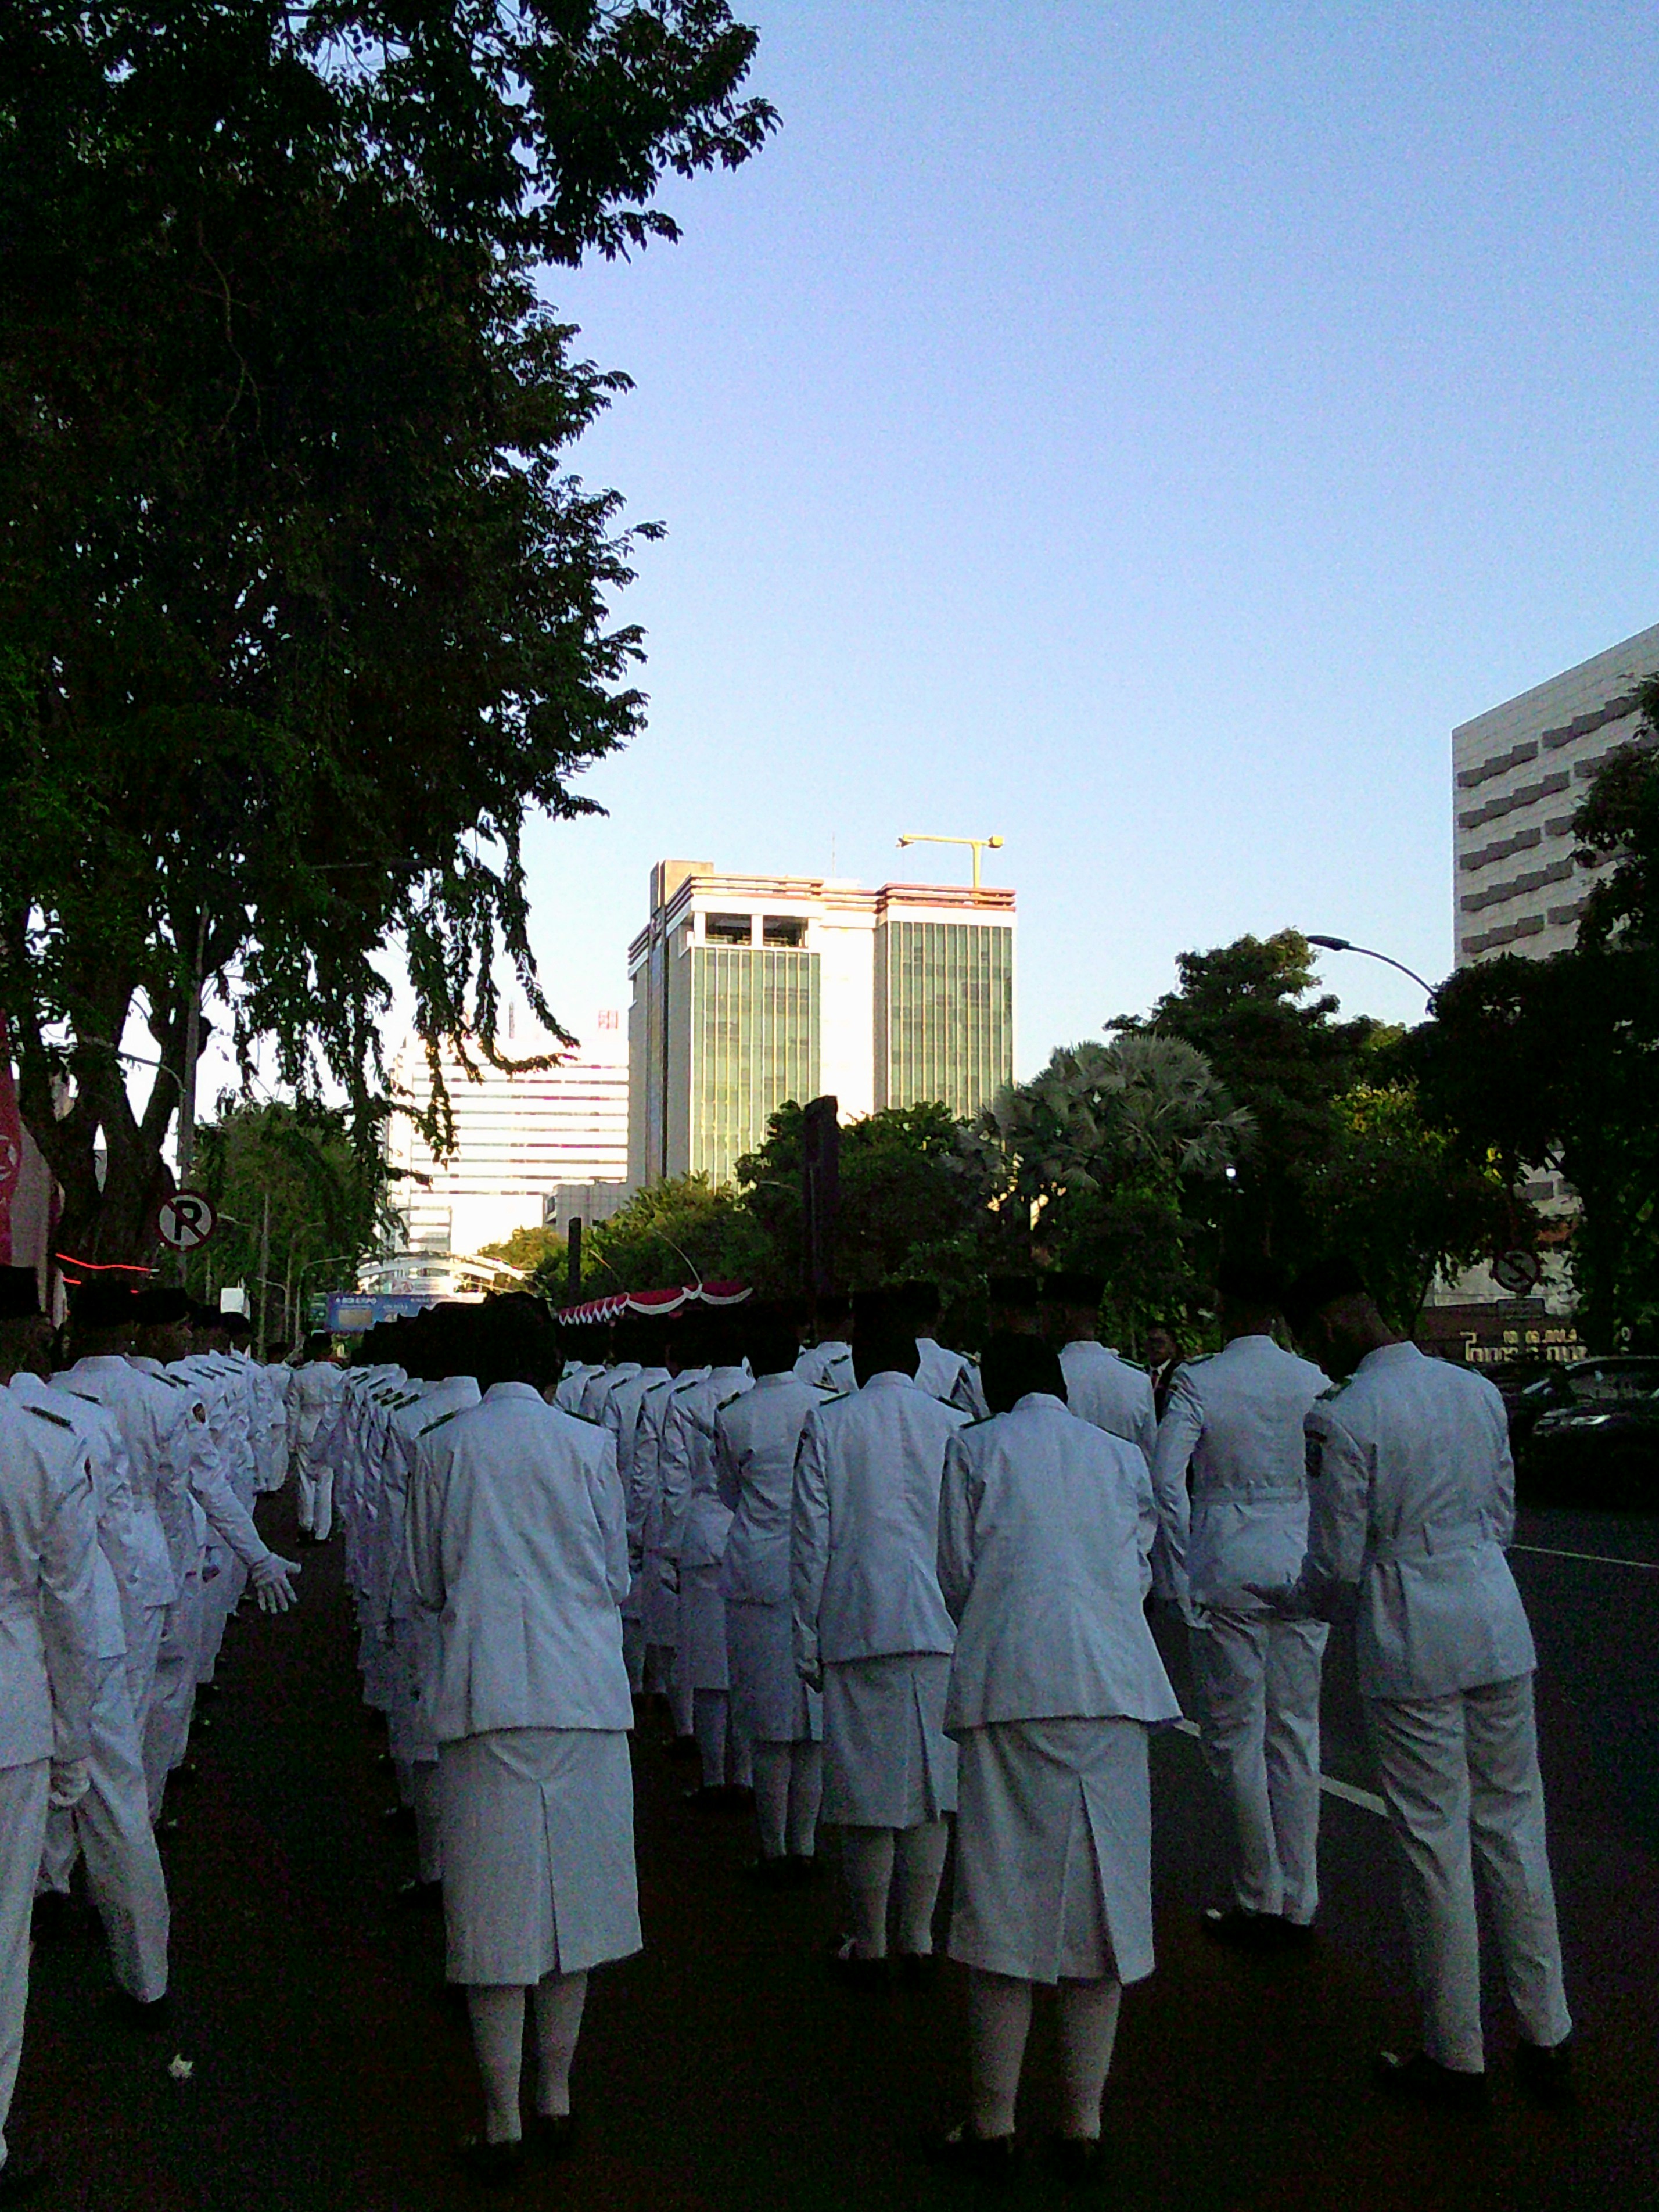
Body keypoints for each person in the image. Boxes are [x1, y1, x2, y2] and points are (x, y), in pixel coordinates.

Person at [1255, 1258, 1572, 2109]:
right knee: (1516, 1829)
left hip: (1412, 1634)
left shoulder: (1341, 1417)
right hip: (1497, 1621)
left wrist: (1292, 1603)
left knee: (1434, 1844)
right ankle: (1548, 2033)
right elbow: (1503, 1512)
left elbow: (1335, 1561)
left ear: (1325, 1331)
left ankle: (1456, 2050)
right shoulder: (1473, 1393)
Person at [933, 1334, 1180, 2176]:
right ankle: (1083, 2123)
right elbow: (1140, 1567)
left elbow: (957, 1575)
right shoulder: (1117, 1458)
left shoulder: (973, 1449)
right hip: (1113, 1685)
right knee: (1104, 1907)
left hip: (1011, 1684)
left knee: (1003, 1898)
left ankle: (993, 2121)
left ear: (994, 1388)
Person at [405, 1305, 640, 2182]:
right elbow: (615, 1575)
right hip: (583, 1696)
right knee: (574, 1908)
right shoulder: (589, 1445)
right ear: (553, 1368)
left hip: (486, 1694)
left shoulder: (443, 1446)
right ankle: (557, 2098)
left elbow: (425, 1582)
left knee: (493, 1913)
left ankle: (501, 2118)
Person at [0, 1274, 170, 2019]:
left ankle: (68, 1898)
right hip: (70, 1645)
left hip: (57, 1644)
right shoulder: (57, 1430)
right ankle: (145, 1977)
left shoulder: (61, 1414)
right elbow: (84, 1573)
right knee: (115, 1804)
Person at [1148, 1256, 1330, 1949]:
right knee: (1296, 1730)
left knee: (1234, 1735)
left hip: (1226, 1559)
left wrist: (1178, 1566)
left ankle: (1259, 1890)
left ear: (1226, 1307)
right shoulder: (1312, 1379)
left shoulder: (1200, 1379)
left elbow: (1168, 1479)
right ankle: (1302, 1895)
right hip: (1300, 1557)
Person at [792, 1292, 966, 1980]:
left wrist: (807, 1638)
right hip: (941, 1622)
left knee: (866, 1797)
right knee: (931, 1792)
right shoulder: (956, 1423)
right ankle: (920, 1936)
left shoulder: (828, 1423)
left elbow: (811, 1543)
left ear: (858, 1361)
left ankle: (869, 1940)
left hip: (858, 1620)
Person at [0, 1365, 98, 2202]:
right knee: (1, 1945)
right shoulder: (40, 1444)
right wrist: (73, 1739)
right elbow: (69, 1608)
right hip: (10, 1713)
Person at [716, 1307, 827, 1880]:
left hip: (758, 1568)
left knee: (766, 1719)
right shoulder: (825, 1404)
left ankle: (773, 1846)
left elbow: (728, 1490)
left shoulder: (736, 1415)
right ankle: (805, 1845)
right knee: (811, 1723)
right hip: (819, 1566)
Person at [1041, 1272, 1157, 1462]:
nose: (1041, 1326)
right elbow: (1148, 1458)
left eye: (1044, 1316)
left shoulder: (1046, 1374)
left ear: (1063, 1316)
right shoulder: (1138, 1381)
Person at [1143, 1323, 1183, 1424]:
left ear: (1172, 1346)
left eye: (1160, 1342)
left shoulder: (1179, 1375)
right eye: (1151, 1342)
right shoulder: (1139, 1373)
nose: (1155, 1347)